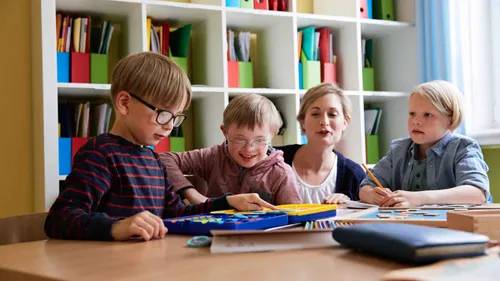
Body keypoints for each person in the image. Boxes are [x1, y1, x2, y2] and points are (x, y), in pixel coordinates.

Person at [44, 52, 275, 242]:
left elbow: (177, 214)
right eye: (163, 114)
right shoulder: (101, 153)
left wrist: (226, 202)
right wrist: (116, 227)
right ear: (124, 103)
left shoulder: (154, 160)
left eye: (175, 117)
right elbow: (59, 218)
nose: (170, 126)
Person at [359, 80, 491, 207]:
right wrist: (375, 196)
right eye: (412, 114)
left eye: (427, 115)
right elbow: (365, 188)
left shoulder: (463, 148)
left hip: (451, 228)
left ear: (451, 119)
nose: (416, 121)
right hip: (406, 227)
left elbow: (477, 193)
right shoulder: (399, 150)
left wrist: (420, 198)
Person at [160, 93, 301, 205]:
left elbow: (294, 220)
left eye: (260, 140)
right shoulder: (215, 156)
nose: (249, 149)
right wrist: (191, 193)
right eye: (240, 139)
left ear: (273, 135)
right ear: (225, 132)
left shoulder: (281, 174)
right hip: (214, 235)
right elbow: (163, 159)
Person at [275, 82, 366, 204]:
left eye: (332, 114)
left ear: (345, 122)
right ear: (303, 121)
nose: (324, 121)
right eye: (315, 114)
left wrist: (350, 206)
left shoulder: (354, 175)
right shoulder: (275, 159)